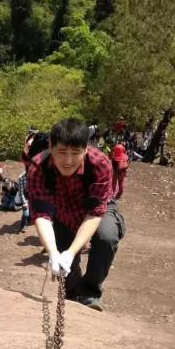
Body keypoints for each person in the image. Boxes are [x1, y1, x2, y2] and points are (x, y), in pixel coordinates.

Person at [27, 118, 125, 312]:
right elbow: (42, 214)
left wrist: (71, 253)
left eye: (75, 153)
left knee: (107, 236)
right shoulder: (38, 167)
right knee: (65, 264)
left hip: (96, 209)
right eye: (62, 152)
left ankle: (90, 291)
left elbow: (95, 213)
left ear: (86, 149)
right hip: (61, 212)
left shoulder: (100, 164)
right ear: (51, 146)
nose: (68, 161)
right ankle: (73, 293)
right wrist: (54, 253)